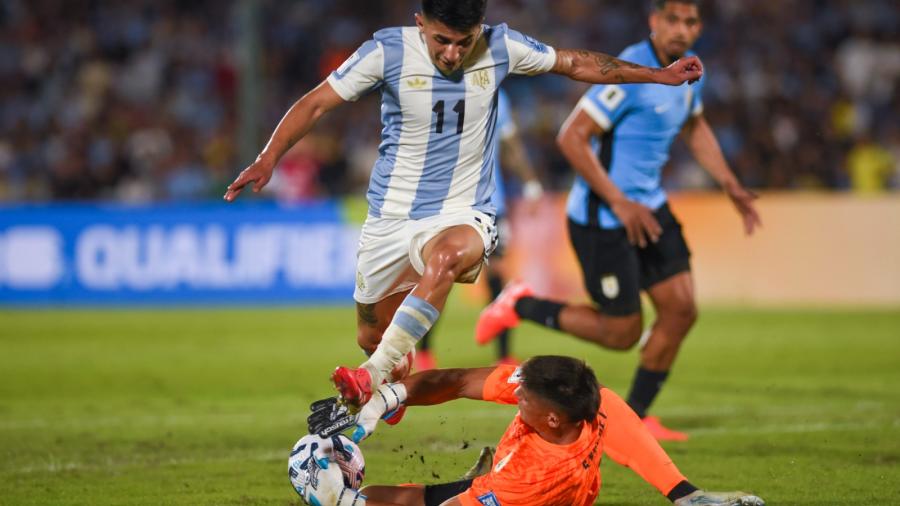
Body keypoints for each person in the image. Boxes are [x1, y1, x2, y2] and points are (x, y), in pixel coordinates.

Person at [224, 0, 704, 411]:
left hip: (464, 210)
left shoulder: (500, 46)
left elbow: (575, 63)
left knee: (448, 257)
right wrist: (268, 158)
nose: (452, 54)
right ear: (419, 23)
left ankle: (371, 375)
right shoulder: (386, 51)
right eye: (441, 41)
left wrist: (656, 76)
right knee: (372, 334)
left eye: (464, 41)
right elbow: (314, 104)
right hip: (390, 216)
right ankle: (387, 367)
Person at [475, 0, 761, 441]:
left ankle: (638, 419)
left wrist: (729, 183)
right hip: (602, 217)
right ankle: (519, 304)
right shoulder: (629, 73)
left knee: (681, 309)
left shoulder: (688, 73)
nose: (681, 29)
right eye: (672, 20)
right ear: (654, 22)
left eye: (690, 21)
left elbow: (695, 125)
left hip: (648, 207)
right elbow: (571, 137)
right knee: (621, 332)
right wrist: (620, 202)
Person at [299, 356, 765, 506]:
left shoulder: (532, 478)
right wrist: (382, 401)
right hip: (502, 482)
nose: (514, 398)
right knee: (404, 496)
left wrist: (342, 500)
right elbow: (458, 381)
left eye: (524, 400)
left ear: (553, 420)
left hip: (515, 495)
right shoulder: (586, 399)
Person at [416, 88, 543, 371]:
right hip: (449, 206)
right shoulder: (439, 93)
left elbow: (510, 144)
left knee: (497, 276)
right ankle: (423, 351)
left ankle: (504, 355)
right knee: (440, 276)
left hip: (491, 204)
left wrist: (531, 182)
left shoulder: (498, 95)